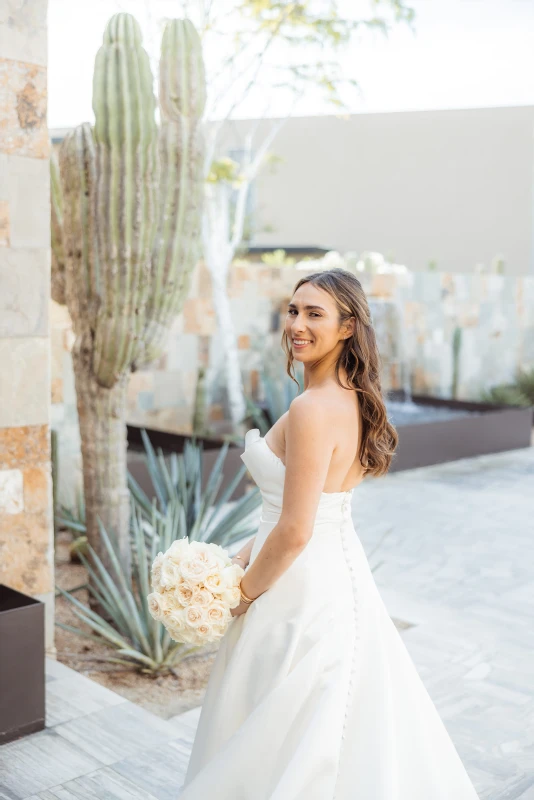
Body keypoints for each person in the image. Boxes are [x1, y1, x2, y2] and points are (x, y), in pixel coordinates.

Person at [179, 268, 480, 799]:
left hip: (298, 590)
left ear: (347, 327)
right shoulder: (352, 398)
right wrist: (229, 566)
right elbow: (292, 515)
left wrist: (240, 596)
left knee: (289, 732)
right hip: (334, 574)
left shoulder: (312, 409)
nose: (296, 324)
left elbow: (296, 529)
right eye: (293, 310)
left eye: (314, 314)